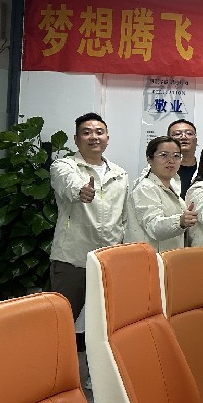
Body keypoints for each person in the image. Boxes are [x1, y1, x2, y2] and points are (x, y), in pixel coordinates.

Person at [50, 113, 128, 321]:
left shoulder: (119, 174)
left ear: (107, 138)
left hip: (108, 259)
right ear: (76, 139)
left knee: (104, 322)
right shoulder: (64, 166)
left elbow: (124, 215)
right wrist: (81, 191)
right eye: (86, 133)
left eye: (99, 132)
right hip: (73, 259)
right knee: (64, 319)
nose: (94, 137)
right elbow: (68, 184)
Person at [124, 136, 197, 253]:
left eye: (176, 156)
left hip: (169, 255)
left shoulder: (173, 184)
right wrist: (180, 221)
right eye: (164, 155)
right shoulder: (145, 188)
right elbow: (154, 226)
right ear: (149, 159)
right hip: (149, 257)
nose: (171, 160)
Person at [168, 119, 199, 199]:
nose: (183, 137)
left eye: (189, 133)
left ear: (196, 140)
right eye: (177, 134)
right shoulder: (157, 169)